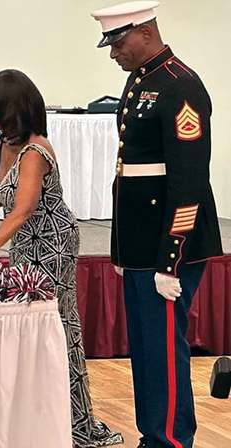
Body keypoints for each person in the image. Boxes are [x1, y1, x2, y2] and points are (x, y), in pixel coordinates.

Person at [0, 69, 123, 448]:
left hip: (50, 242)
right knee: (28, 327)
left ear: (9, 110)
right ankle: (34, 411)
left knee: (55, 326)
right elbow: (9, 196)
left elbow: (23, 209)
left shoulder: (35, 150)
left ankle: (72, 421)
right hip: (25, 242)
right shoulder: (5, 141)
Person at [91, 2, 222, 447]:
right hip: (142, 242)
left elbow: (188, 182)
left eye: (118, 41)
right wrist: (124, 249)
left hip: (169, 245)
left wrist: (172, 259)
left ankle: (169, 440)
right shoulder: (141, 81)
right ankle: (153, 435)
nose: (113, 53)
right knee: (146, 350)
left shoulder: (180, 85)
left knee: (165, 350)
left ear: (144, 31)